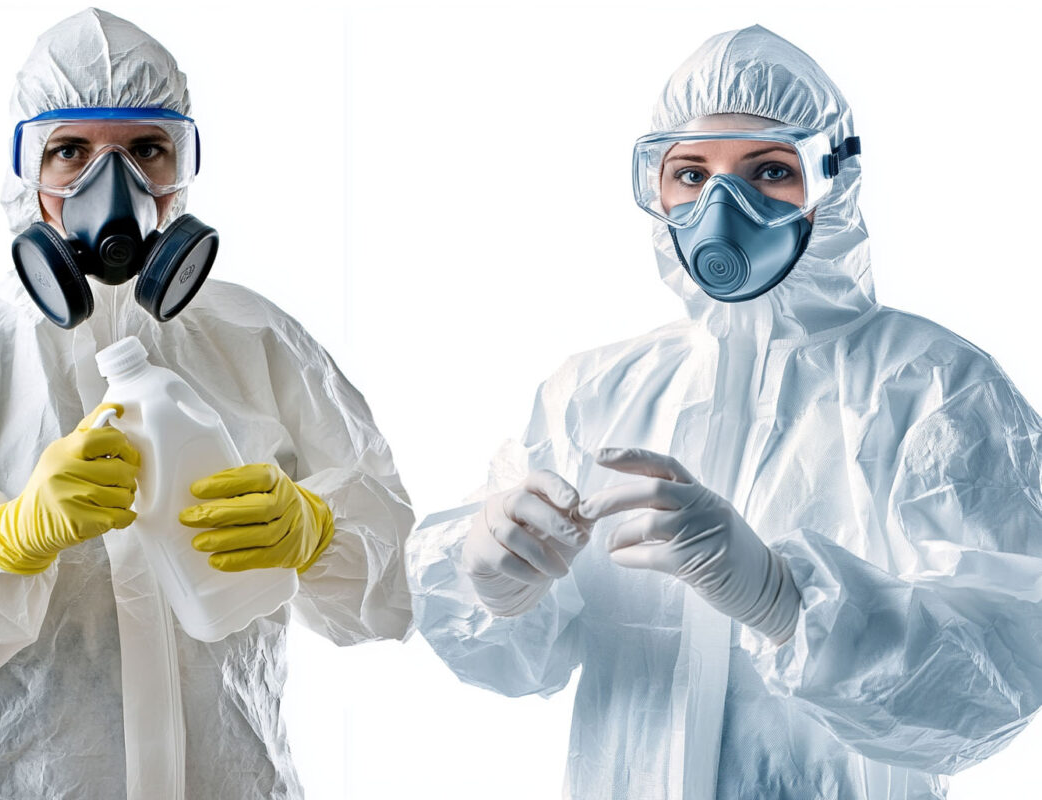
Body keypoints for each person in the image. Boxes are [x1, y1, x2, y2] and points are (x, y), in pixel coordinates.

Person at [0, 8, 412, 799]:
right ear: (26, 173)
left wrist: (318, 534)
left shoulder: (261, 342)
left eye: (147, 150)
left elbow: (395, 594)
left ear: (182, 168)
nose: (112, 189)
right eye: (69, 151)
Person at [408, 24, 1042, 799]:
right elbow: (511, 662)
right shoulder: (596, 390)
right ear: (657, 191)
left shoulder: (934, 387)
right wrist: (496, 586)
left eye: (769, 171)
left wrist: (784, 600)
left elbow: (991, 692)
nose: (721, 207)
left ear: (831, 182)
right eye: (689, 174)